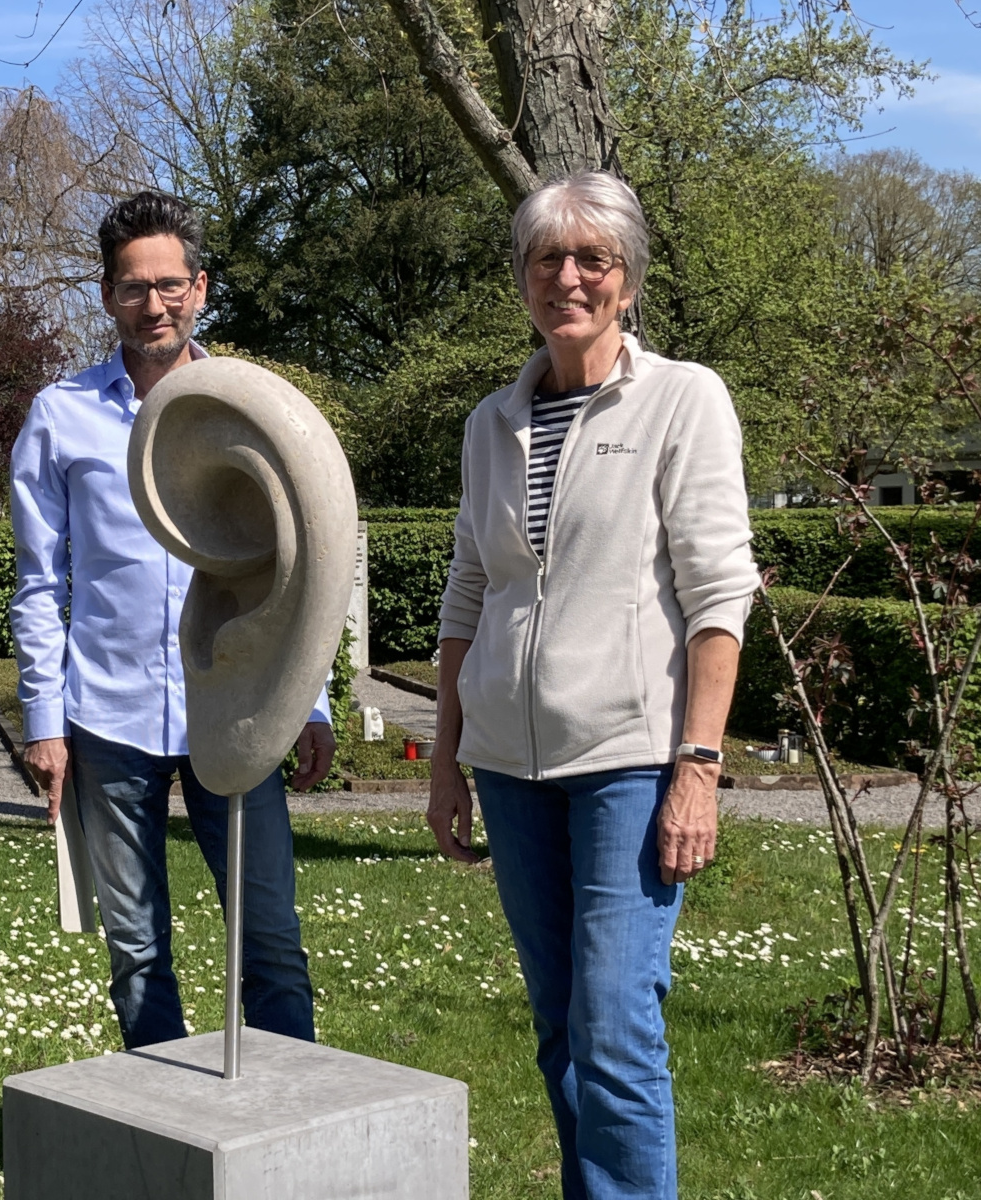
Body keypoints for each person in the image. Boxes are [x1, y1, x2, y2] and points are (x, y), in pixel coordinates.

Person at [428, 172, 759, 1199]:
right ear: (523, 278)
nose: (566, 278)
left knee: (612, 1025)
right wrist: (443, 764)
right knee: (559, 1030)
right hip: (508, 769)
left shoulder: (680, 399)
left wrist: (696, 767)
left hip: (627, 762)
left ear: (625, 282)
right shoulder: (493, 421)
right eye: (545, 259)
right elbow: (465, 598)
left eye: (591, 260)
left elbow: (717, 597)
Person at [9, 191, 336, 1050]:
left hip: (239, 706)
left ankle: (283, 1138)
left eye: (169, 285)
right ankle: (165, 1141)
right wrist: (45, 724)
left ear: (200, 287)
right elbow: (40, 583)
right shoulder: (60, 416)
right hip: (109, 719)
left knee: (269, 941)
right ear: (106, 294)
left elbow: (298, 562)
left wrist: (312, 700)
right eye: (130, 287)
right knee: (137, 952)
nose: (152, 304)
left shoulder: (250, 408)